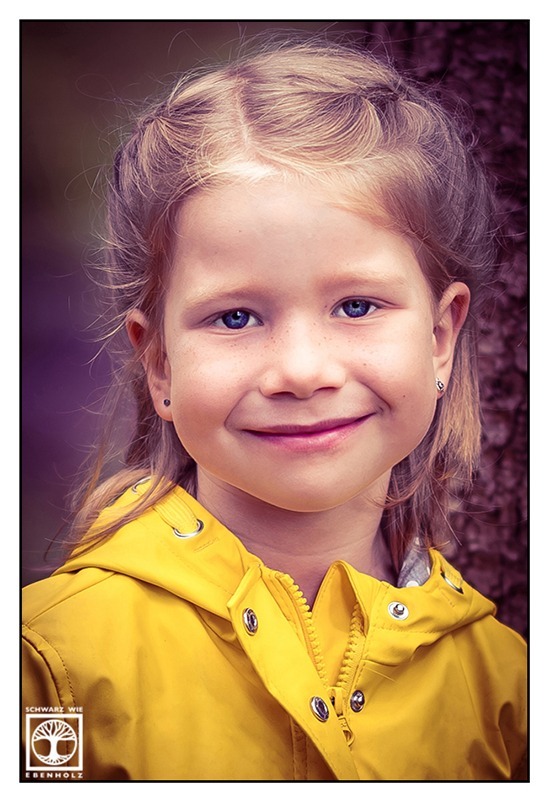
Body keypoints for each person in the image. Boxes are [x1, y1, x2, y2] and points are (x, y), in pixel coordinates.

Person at [22, 36, 527, 781]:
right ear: (159, 360)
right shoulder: (50, 663)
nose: (300, 371)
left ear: (441, 334)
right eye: (236, 317)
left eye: (356, 305)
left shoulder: (504, 687)